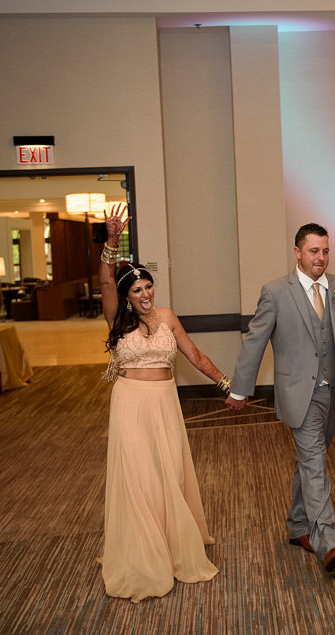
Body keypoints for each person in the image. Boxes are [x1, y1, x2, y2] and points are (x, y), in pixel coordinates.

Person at [225, 223, 335, 574]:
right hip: (298, 394)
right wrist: (239, 388)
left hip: (334, 391)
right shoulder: (276, 292)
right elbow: (255, 341)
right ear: (297, 252)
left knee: (312, 460)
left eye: (325, 251)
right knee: (315, 464)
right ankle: (328, 541)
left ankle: (297, 526)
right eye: (313, 251)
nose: (320, 258)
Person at [97, 206, 227, 601]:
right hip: (130, 403)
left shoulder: (168, 316)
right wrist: (112, 244)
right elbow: (104, 280)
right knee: (140, 475)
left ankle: (171, 543)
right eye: (137, 290)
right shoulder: (116, 317)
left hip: (165, 403)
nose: (145, 294)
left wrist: (226, 383)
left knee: (168, 471)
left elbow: (195, 355)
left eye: (149, 287)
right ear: (125, 296)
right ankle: (143, 553)